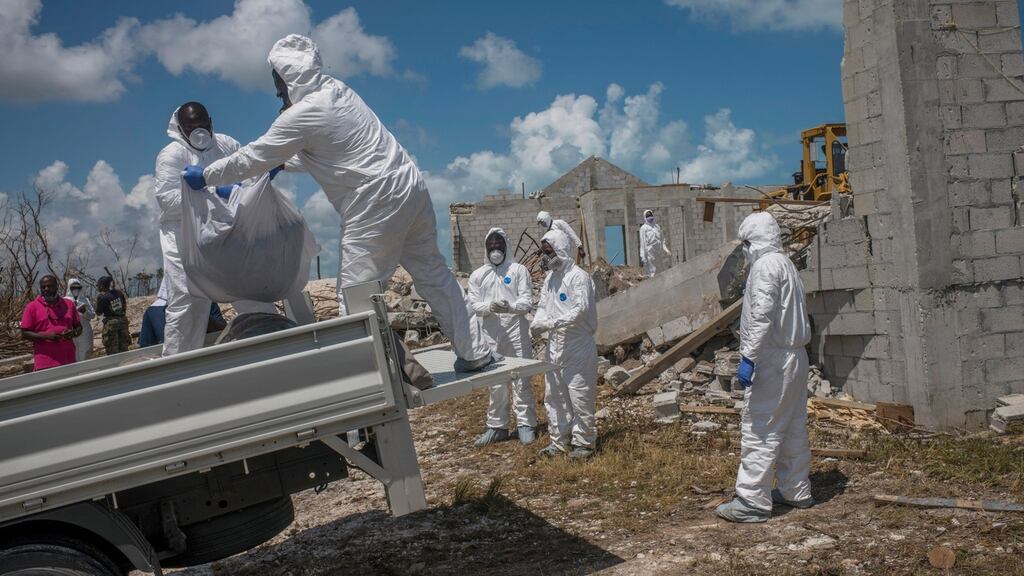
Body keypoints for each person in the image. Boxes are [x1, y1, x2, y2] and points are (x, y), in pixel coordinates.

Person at [186, 34, 494, 372]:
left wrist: (208, 175)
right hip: (410, 187)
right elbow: (330, 154)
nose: (276, 91)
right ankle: (475, 351)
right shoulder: (339, 91)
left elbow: (253, 157)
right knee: (434, 274)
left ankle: (367, 382)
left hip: (375, 201)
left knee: (356, 297)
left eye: (277, 82)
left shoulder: (300, 115)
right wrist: (283, 163)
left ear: (288, 78)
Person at [153, 101, 277, 357]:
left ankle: (273, 345)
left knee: (249, 287)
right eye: (191, 126)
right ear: (180, 128)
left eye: (202, 124)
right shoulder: (171, 155)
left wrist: (262, 175)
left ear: (210, 121)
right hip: (183, 236)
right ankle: (178, 365)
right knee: (188, 302)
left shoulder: (227, 144)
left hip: (224, 229)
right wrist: (214, 193)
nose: (199, 130)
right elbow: (168, 201)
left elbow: (247, 174)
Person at [716, 212, 813, 523]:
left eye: (745, 244)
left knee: (760, 427)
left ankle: (752, 501)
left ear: (752, 242)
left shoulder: (764, 267)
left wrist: (748, 357)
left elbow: (761, 315)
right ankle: (796, 490)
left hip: (773, 359)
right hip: (795, 356)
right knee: (792, 427)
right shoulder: (786, 264)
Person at [467, 228, 538, 446]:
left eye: (499, 246)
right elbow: (472, 304)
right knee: (496, 382)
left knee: (521, 378)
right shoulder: (478, 275)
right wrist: (489, 306)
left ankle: (526, 424)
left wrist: (510, 308)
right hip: (490, 335)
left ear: (505, 246)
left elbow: (527, 301)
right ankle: (497, 427)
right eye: (491, 246)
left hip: (516, 331)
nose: (495, 249)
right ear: (486, 248)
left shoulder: (518, 270)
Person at [531, 230, 598, 459]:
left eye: (548, 252)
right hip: (554, 346)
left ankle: (584, 443)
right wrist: (537, 323)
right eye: (544, 252)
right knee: (555, 396)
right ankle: (558, 442)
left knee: (579, 395)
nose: (545, 257)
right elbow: (543, 306)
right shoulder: (551, 278)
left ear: (560, 249)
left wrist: (550, 323)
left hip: (577, 345)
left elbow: (580, 311)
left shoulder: (579, 277)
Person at [138, 282, 227, 348]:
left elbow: (223, 333)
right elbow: (146, 350)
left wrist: (199, 312)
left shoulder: (207, 303)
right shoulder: (153, 312)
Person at [21, 275, 82, 371]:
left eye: (50, 286)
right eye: (43, 287)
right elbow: (24, 333)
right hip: (45, 363)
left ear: (57, 286)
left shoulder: (69, 304)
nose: (46, 289)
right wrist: (46, 336)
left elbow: (79, 327)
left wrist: (72, 333)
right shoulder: (32, 307)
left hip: (69, 360)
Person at [95, 276, 131, 356]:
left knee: (112, 351)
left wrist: (98, 301)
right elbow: (124, 307)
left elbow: (98, 313)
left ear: (102, 286)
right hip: (123, 322)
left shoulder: (103, 297)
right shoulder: (119, 293)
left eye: (98, 285)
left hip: (111, 324)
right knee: (124, 348)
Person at [64, 278, 96, 362]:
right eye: (73, 288)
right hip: (71, 331)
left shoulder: (85, 300)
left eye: (78, 287)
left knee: (86, 352)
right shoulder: (64, 301)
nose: (76, 290)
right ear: (69, 288)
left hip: (85, 330)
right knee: (73, 353)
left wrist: (85, 311)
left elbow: (92, 315)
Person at [639, 209, 672, 278]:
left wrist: (666, 250)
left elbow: (662, 240)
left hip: (658, 251)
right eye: (648, 217)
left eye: (650, 216)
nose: (650, 218)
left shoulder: (657, 226)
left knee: (661, 268)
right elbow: (643, 243)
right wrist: (643, 256)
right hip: (650, 251)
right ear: (645, 218)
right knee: (652, 270)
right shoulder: (643, 228)